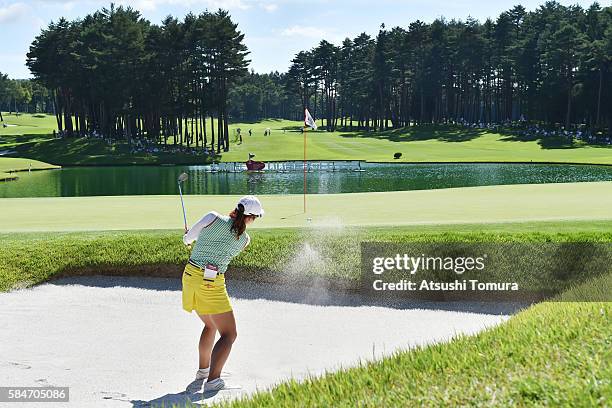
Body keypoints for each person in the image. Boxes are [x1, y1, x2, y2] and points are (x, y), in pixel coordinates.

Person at [181, 195, 265, 392]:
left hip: (190, 276)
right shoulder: (245, 240)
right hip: (211, 282)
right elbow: (226, 244)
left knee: (210, 324)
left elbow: (189, 239)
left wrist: (187, 237)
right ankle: (213, 380)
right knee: (229, 334)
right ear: (250, 217)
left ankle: (203, 371)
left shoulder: (212, 217)